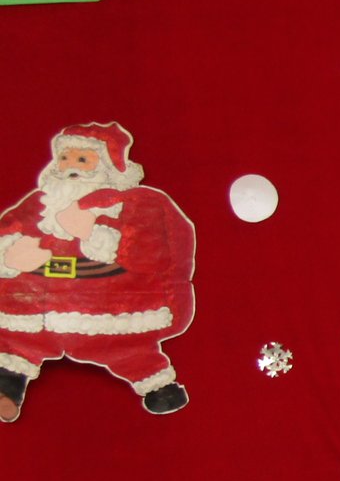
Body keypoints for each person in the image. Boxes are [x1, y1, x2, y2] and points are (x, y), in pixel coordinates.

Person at [0, 122, 195, 421]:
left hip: (105, 307)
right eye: (65, 158)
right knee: (16, 347)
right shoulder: (40, 202)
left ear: (106, 165)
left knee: (128, 349)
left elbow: (150, 248)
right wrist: (10, 253)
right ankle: (6, 390)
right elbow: (10, 227)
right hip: (39, 308)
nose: (70, 167)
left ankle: (159, 387)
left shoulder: (134, 204)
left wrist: (92, 233)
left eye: (82, 159)